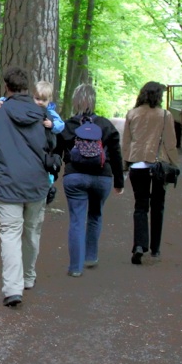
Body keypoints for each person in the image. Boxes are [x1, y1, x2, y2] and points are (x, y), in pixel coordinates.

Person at [0, 67, 53, 307]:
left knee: (10, 233)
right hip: (36, 182)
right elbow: (51, 144)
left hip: (9, 181)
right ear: (26, 88)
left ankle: (13, 288)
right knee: (31, 231)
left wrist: (5, 153)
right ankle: (28, 277)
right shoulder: (42, 113)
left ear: (7, 87)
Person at [57, 84, 124, 277]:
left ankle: (75, 268)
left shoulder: (67, 126)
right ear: (93, 101)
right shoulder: (105, 125)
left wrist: (51, 176)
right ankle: (91, 257)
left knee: (77, 220)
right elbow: (116, 155)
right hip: (102, 177)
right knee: (95, 215)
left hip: (75, 177)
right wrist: (119, 182)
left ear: (75, 101)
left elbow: (56, 152)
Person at [122, 81, 178, 265]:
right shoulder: (165, 115)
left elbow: (126, 142)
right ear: (158, 96)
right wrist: (174, 164)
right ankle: (155, 248)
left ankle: (139, 245)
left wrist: (124, 165)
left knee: (140, 206)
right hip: (159, 166)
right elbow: (170, 143)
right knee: (158, 206)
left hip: (137, 165)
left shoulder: (132, 114)